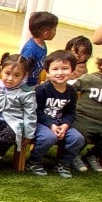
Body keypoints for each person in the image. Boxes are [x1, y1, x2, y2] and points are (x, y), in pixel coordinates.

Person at [30, 50, 84, 178]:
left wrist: (65, 125)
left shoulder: (71, 91)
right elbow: (35, 110)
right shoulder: (42, 89)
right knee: (48, 137)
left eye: (65, 68)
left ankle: (63, 163)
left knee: (77, 138)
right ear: (47, 72)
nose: (60, 73)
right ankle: (34, 161)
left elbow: (70, 112)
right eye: (55, 69)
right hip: (41, 122)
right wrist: (51, 125)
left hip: (61, 123)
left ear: (72, 71)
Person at [0, 53, 35, 173]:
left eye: (16, 75)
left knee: (7, 137)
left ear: (24, 76)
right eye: (7, 73)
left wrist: (29, 133)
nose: (10, 79)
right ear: (0, 70)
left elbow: (30, 114)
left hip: (15, 122)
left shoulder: (26, 93)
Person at [20, 11, 59, 83]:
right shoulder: (31, 49)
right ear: (46, 34)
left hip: (34, 82)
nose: (55, 32)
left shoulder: (42, 45)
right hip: (26, 84)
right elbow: (22, 68)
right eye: (54, 30)